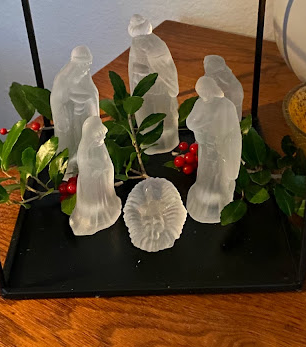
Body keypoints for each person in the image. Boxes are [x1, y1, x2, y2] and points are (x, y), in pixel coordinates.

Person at [186, 76, 241, 223]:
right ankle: (204, 191)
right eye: (201, 93)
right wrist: (202, 124)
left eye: (205, 92)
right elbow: (190, 122)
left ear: (211, 90)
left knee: (219, 171)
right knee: (206, 171)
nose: (204, 96)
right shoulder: (200, 103)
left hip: (221, 148)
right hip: (205, 147)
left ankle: (220, 194)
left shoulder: (226, 106)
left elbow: (232, 132)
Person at [128, 14, 179, 154]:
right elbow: (135, 66)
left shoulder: (153, 44)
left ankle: (167, 140)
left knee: (163, 113)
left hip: (158, 85)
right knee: (148, 114)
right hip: (145, 88)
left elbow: (163, 65)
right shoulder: (137, 42)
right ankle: (151, 143)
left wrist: (145, 70)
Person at [51, 45, 99, 177]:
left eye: (88, 64)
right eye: (84, 65)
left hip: (83, 116)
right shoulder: (63, 79)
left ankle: (87, 160)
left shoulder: (85, 76)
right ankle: (70, 166)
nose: (87, 68)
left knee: (84, 137)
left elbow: (92, 93)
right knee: (72, 143)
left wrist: (89, 102)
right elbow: (58, 98)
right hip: (69, 118)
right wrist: (64, 115)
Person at [70, 116, 121, 236]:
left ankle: (107, 208)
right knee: (94, 203)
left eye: (102, 138)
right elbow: (86, 168)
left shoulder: (100, 146)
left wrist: (106, 169)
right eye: (98, 138)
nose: (101, 141)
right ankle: (94, 219)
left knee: (105, 200)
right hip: (93, 185)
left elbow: (106, 160)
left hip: (103, 181)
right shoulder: (84, 150)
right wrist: (98, 170)